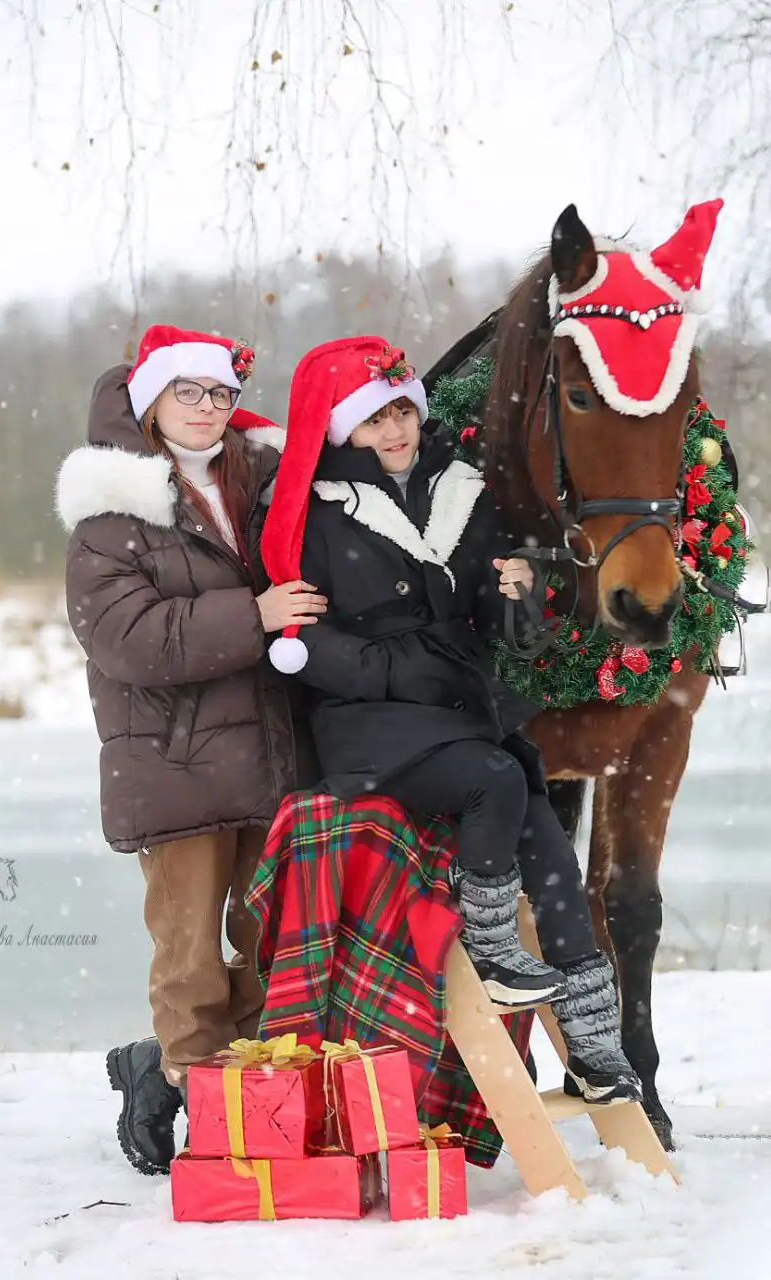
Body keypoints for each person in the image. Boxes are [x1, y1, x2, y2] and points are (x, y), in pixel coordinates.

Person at [259, 335, 641, 1106]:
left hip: (460, 712)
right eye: (374, 422)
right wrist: (399, 671)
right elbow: (303, 643)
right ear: (343, 431)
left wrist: (518, 595)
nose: (394, 433)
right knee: (498, 779)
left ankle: (597, 1047)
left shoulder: (463, 491)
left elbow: (502, 629)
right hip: (370, 723)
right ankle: (494, 954)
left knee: (549, 845)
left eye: (402, 412)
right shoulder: (312, 515)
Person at [56, 326, 325, 1174]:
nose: (209, 409)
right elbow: (130, 640)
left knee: (272, 939)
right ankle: (209, 1120)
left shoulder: (266, 485)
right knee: (192, 954)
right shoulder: (112, 516)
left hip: (274, 752)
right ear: (150, 403)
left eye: (220, 394)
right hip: (172, 762)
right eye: (189, 393)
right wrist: (256, 616)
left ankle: (244, 1101)